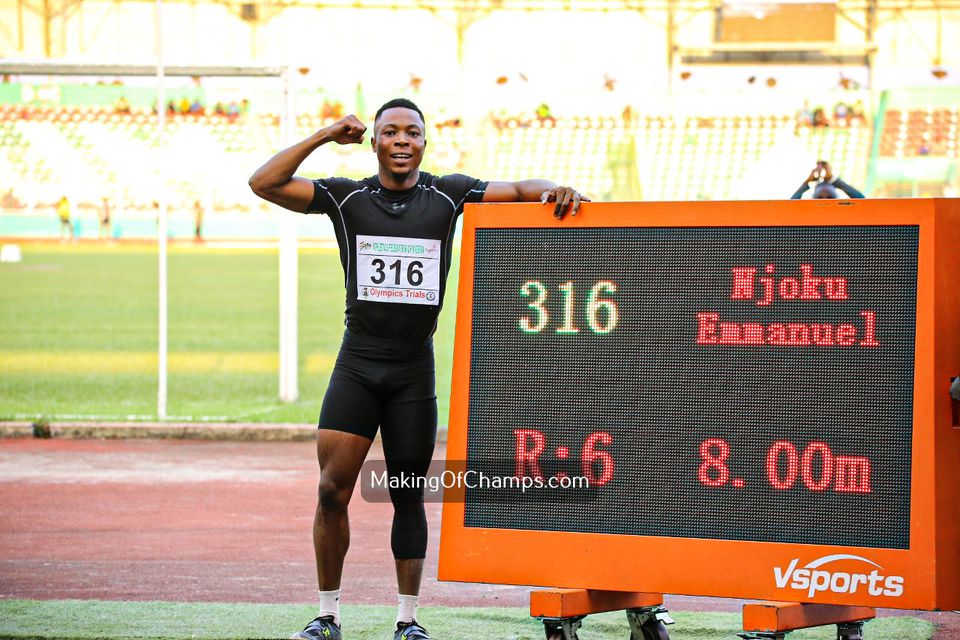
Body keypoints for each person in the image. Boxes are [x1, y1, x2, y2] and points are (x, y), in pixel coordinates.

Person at [248, 98, 588, 640]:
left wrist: (558, 188)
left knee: (407, 493)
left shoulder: (448, 195)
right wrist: (326, 133)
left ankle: (408, 620)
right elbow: (264, 182)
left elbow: (523, 191)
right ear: (376, 141)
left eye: (412, 133)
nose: (402, 141)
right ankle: (327, 615)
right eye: (390, 132)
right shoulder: (346, 196)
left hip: (413, 373)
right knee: (332, 489)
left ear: (425, 143)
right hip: (357, 366)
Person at [791, 161, 864, 199]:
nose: (824, 200)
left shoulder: (843, 212)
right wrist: (807, 182)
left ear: (836, 197)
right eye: (819, 197)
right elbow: (789, 207)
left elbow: (864, 203)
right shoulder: (807, 213)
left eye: (830, 197)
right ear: (813, 197)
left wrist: (835, 180)